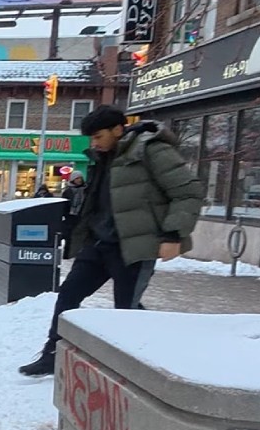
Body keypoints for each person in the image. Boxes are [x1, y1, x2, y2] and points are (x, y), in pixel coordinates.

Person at [18, 106, 204, 376]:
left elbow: (189, 192)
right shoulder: (101, 157)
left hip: (133, 246)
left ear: (119, 129)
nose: (95, 143)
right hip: (98, 243)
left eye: (99, 136)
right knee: (68, 296)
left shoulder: (151, 150)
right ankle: (53, 354)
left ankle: (134, 367)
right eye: (91, 139)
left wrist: (173, 234)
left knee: (125, 310)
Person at [60, 173, 86, 254]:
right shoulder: (68, 191)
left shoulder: (86, 190)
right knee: (69, 236)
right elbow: (64, 204)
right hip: (70, 217)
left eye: (80, 178)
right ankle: (67, 253)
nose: (79, 180)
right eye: (77, 178)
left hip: (82, 216)